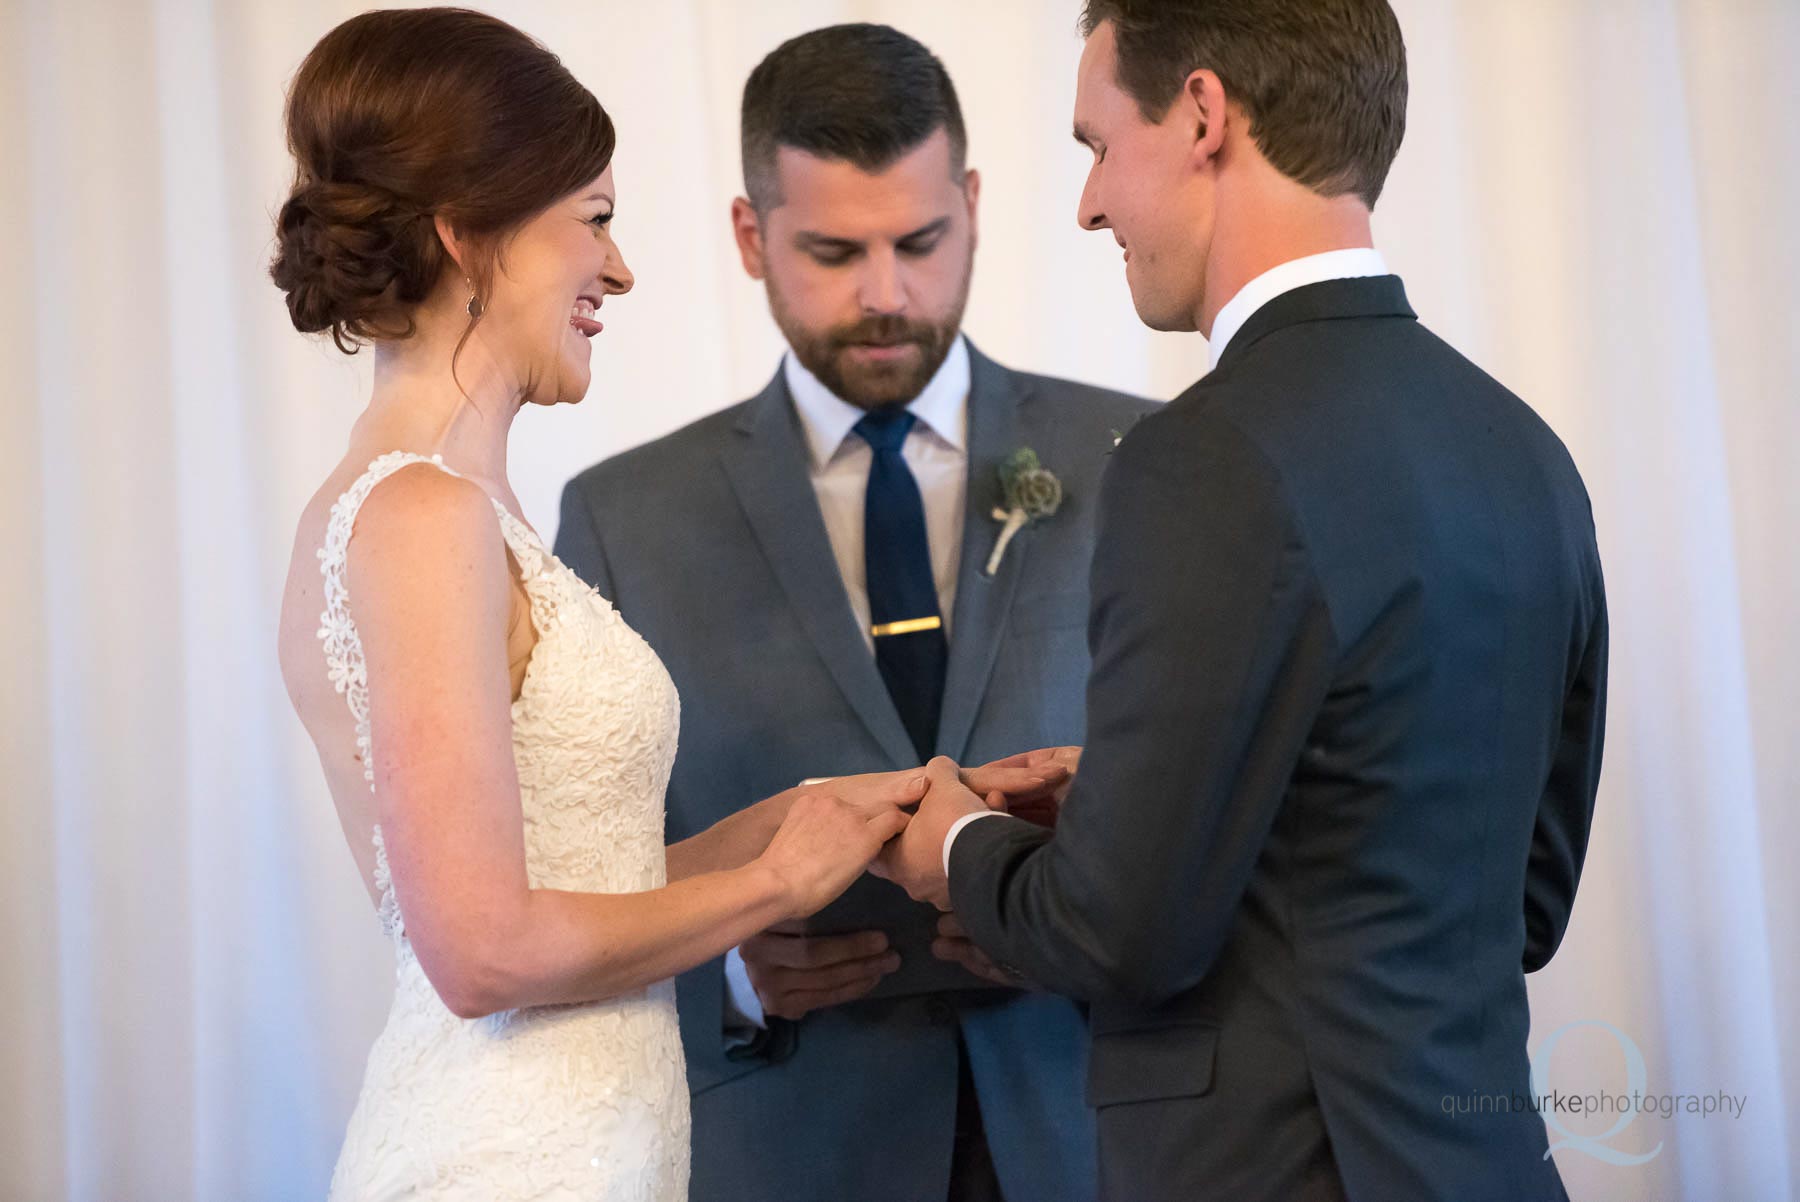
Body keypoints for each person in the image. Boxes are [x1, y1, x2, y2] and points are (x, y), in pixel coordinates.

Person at [878, 3, 1608, 1200]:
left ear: (1205, 115)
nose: (1090, 204)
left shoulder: (1202, 456)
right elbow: (1520, 899)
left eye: (1097, 146)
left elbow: (1121, 932)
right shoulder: (1524, 451)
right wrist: (1127, 804)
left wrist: (954, 842)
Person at [270, 10, 969, 1199]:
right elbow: (482, 950)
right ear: (466, 231)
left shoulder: (460, 508)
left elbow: (580, 871)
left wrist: (829, 809)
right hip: (512, 1160)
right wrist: (774, 887)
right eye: (594, 219)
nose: (621, 266)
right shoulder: (422, 515)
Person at [555, 24, 1153, 1202]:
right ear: (749, 235)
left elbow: (1228, 809)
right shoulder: (626, 514)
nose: (886, 295)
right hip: (793, 1145)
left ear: (972, 205)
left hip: (1093, 1132)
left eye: (920, 241)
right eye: (832, 251)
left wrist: (1081, 913)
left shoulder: (1143, 455)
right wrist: (726, 960)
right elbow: (570, 893)